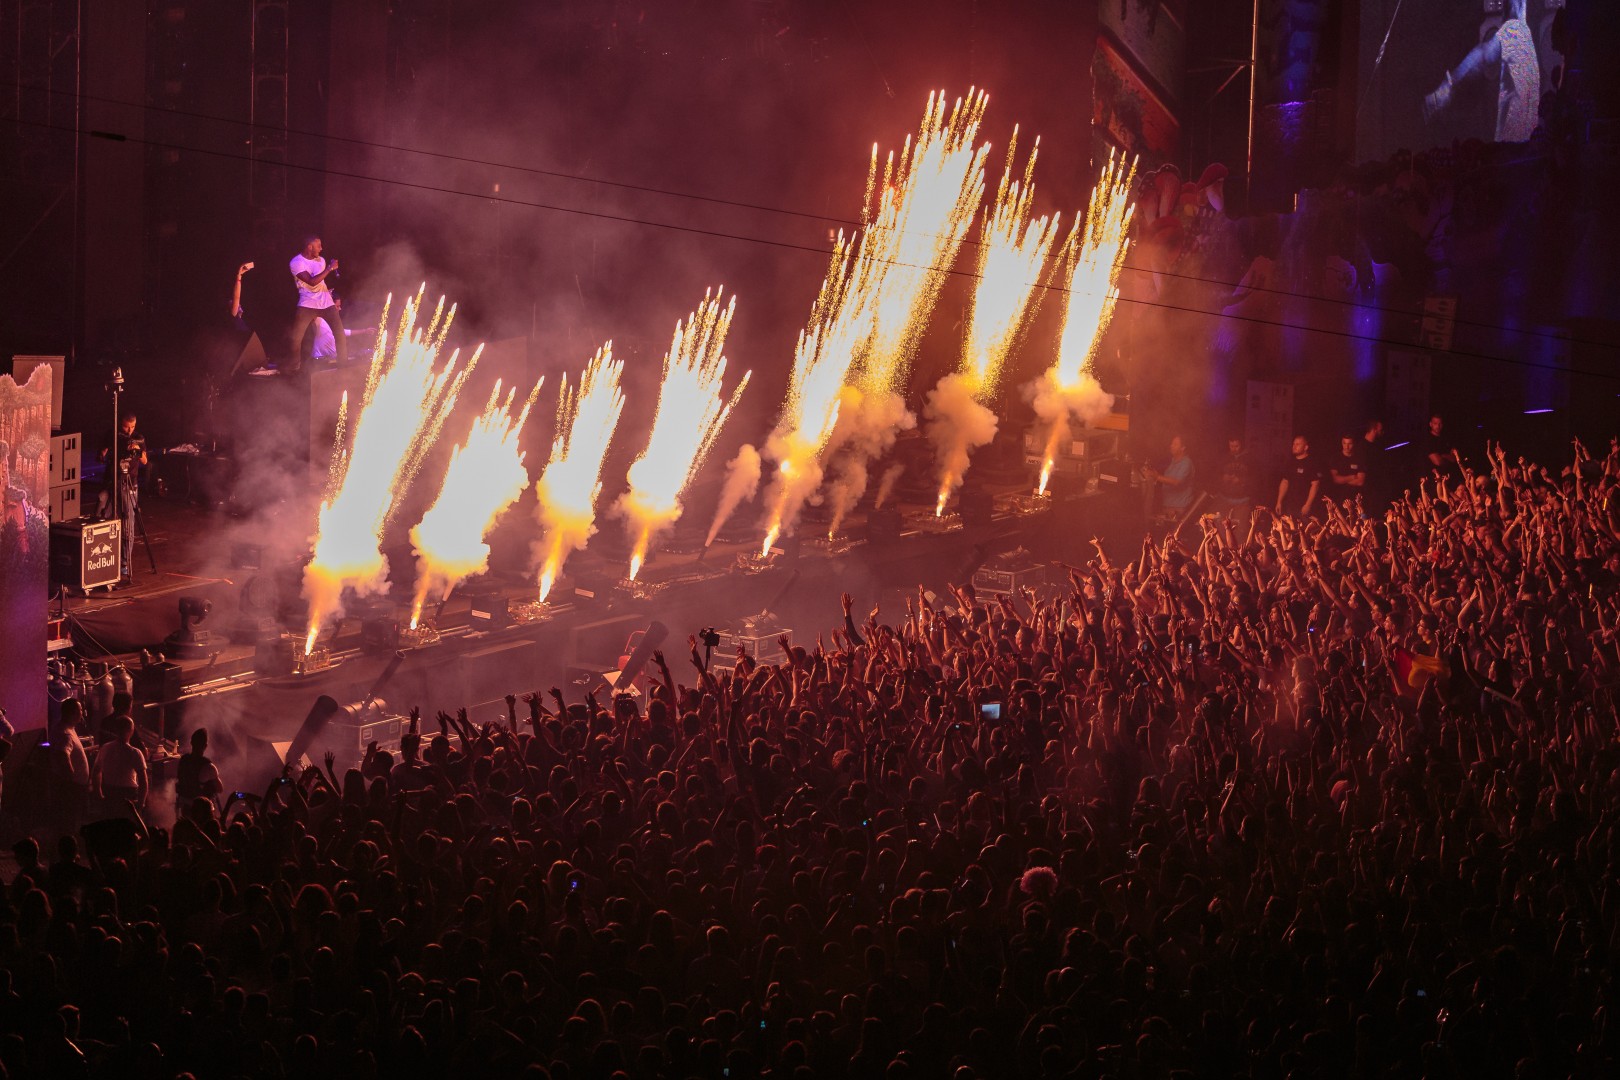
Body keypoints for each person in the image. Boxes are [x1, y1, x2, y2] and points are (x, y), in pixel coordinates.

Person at [1423, 0, 1540, 144]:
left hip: (1512, 142)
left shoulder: (1514, 31)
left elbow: (1484, 55)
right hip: (1522, 141)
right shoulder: (1521, 34)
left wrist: (1444, 90)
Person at [97, 412, 147, 582]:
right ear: (121, 424)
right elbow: (102, 451)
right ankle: (100, 557)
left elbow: (145, 461)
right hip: (112, 481)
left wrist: (137, 451)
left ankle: (125, 563)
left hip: (129, 483)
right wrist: (103, 454)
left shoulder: (139, 438)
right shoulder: (114, 435)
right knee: (101, 512)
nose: (129, 430)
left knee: (128, 522)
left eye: (132, 427)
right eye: (127, 426)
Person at [288, 235, 346, 371]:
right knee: (296, 339)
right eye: (318, 245)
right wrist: (329, 269)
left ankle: (343, 367)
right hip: (307, 304)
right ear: (310, 247)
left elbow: (319, 281)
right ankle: (294, 368)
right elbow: (312, 282)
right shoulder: (296, 262)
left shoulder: (321, 260)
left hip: (326, 302)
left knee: (340, 334)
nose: (321, 248)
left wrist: (328, 268)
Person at [92, 714, 149, 812]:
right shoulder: (135, 752)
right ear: (131, 731)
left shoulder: (105, 748)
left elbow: (96, 772)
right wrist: (141, 802)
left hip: (109, 792)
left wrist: (98, 793)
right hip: (128, 794)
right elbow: (143, 781)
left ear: (115, 729)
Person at [1141, 435, 1195, 522]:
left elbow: (1177, 482)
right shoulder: (1172, 462)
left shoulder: (1186, 463)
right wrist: (1153, 474)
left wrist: (1157, 477)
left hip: (1179, 509)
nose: (1171, 446)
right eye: (1172, 443)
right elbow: (1166, 479)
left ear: (1183, 448)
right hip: (1167, 507)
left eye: (1175, 444)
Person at [1275, 434, 1322, 518]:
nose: (1294, 446)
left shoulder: (1312, 463)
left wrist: (1308, 504)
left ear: (1305, 447)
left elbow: (1315, 485)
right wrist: (1279, 501)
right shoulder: (1290, 462)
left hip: (1304, 506)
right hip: (1290, 506)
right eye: (1294, 444)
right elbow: (1285, 482)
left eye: (1298, 444)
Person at [1209, 436, 1254, 520]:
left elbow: (1255, 479)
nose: (1234, 449)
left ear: (1242, 445)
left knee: (1239, 527)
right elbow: (1214, 475)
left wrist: (1241, 480)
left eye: (1236, 446)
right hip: (1224, 498)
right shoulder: (1224, 458)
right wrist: (1223, 478)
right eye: (1231, 446)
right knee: (1220, 525)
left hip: (1242, 501)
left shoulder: (1250, 459)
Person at [174, 728, 223, 804]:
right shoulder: (208, 766)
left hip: (183, 806)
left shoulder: (183, 760)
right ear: (205, 746)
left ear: (191, 742)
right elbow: (220, 789)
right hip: (199, 809)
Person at [1327, 433, 1368, 507]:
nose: (1347, 446)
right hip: (1339, 497)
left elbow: (1360, 482)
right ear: (1342, 443)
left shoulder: (1359, 458)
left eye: (1350, 444)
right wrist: (1351, 477)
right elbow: (1335, 479)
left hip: (1355, 498)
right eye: (1344, 443)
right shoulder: (1335, 458)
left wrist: (1342, 480)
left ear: (1353, 444)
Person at [1420, 413, 1461, 482]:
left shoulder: (1446, 438)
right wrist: (1449, 457)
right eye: (1435, 423)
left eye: (1440, 424)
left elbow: (1456, 457)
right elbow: (1438, 461)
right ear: (1431, 424)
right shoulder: (1428, 440)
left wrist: (1443, 456)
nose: (1438, 426)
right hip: (1435, 479)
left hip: (1449, 477)